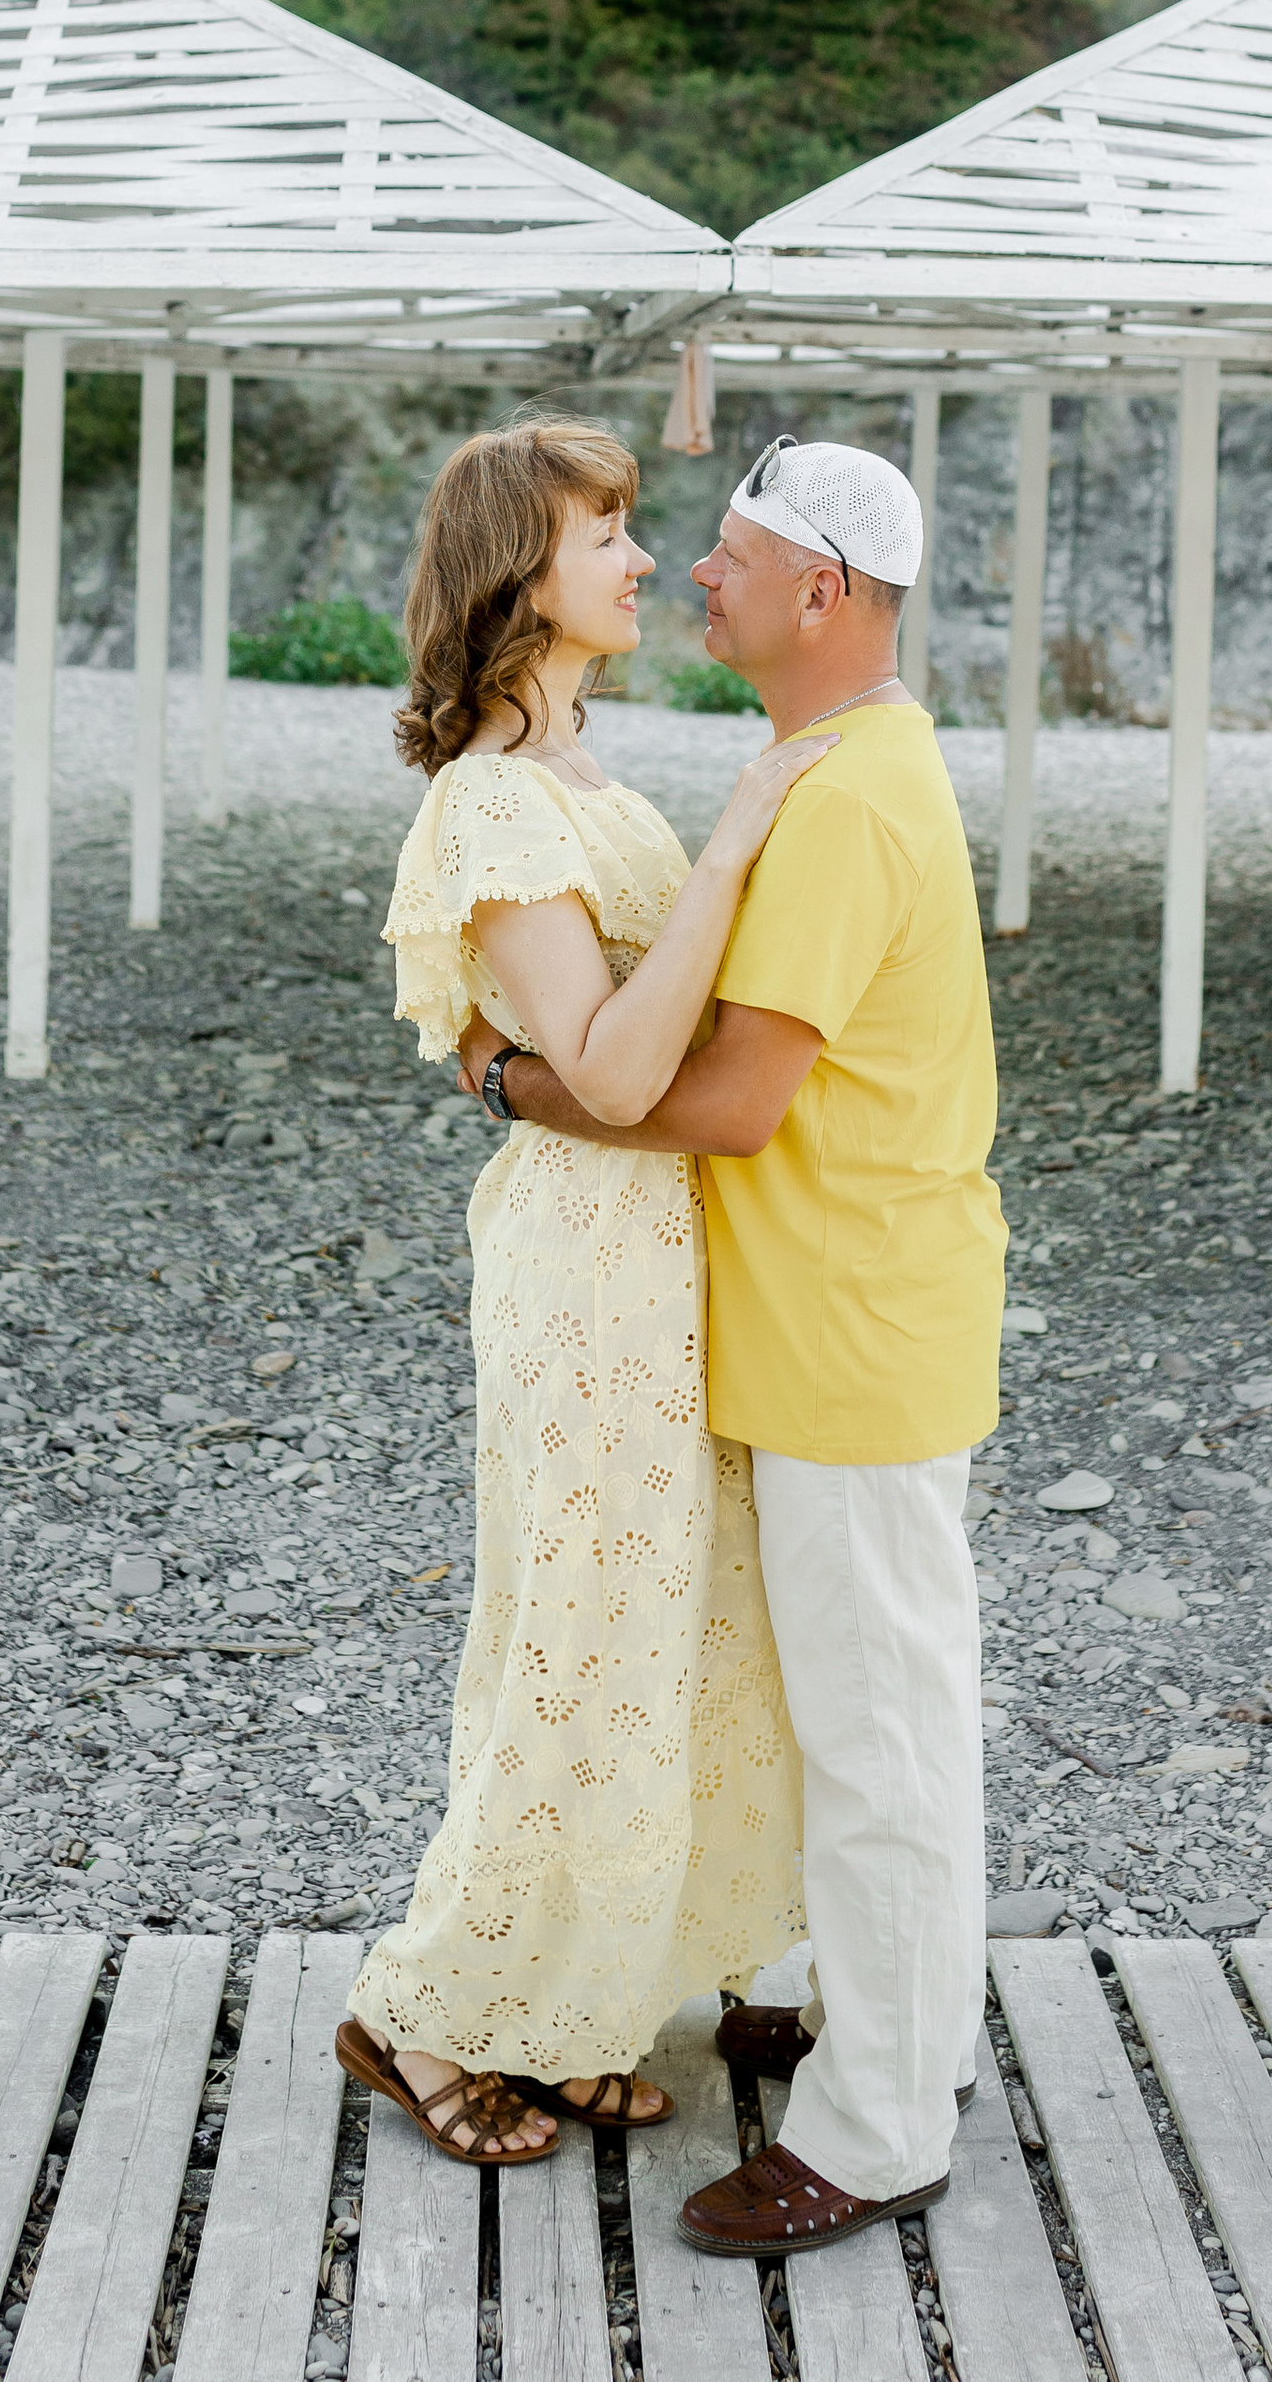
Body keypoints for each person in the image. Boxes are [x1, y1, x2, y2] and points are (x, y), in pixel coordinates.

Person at [469, 433, 1006, 2257]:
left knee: (881, 1738)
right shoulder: (838, 762)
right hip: (842, 1313)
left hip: (850, 1319)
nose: (699, 572)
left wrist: (512, 1081)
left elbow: (728, 1105)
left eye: (733, 550)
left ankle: (877, 2128)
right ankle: (899, 2022)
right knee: (879, 1710)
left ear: (823, 593)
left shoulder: (844, 796)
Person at [334, 413, 826, 2170]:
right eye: (605, 532)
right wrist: (744, 830)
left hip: (661, 1251)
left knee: (661, 1632)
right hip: (587, 1254)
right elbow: (613, 1075)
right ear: (517, 579)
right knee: (579, 1633)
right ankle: (421, 2017)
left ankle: (570, 2012)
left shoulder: (591, 782)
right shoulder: (490, 799)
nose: (640, 558)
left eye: (629, 524)